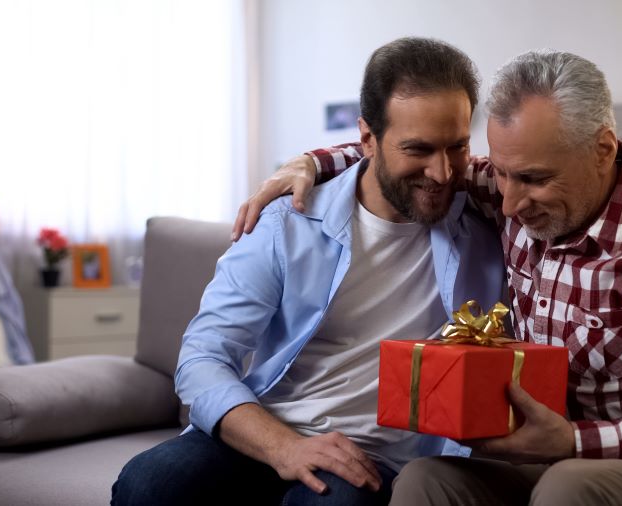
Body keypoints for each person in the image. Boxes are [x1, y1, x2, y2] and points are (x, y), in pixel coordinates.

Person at [243, 50, 622, 505]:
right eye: (502, 173)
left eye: (534, 179)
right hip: (534, 454)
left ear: (603, 149)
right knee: (426, 480)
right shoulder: (515, 190)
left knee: (568, 489)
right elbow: (402, 156)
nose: (510, 202)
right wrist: (311, 162)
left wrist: (574, 443)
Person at [111, 37, 508, 506]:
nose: (442, 172)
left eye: (457, 147)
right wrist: (284, 447)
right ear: (367, 139)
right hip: (268, 431)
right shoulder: (286, 224)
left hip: (374, 458)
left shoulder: (491, 224)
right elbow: (202, 359)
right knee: (147, 484)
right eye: (417, 149)